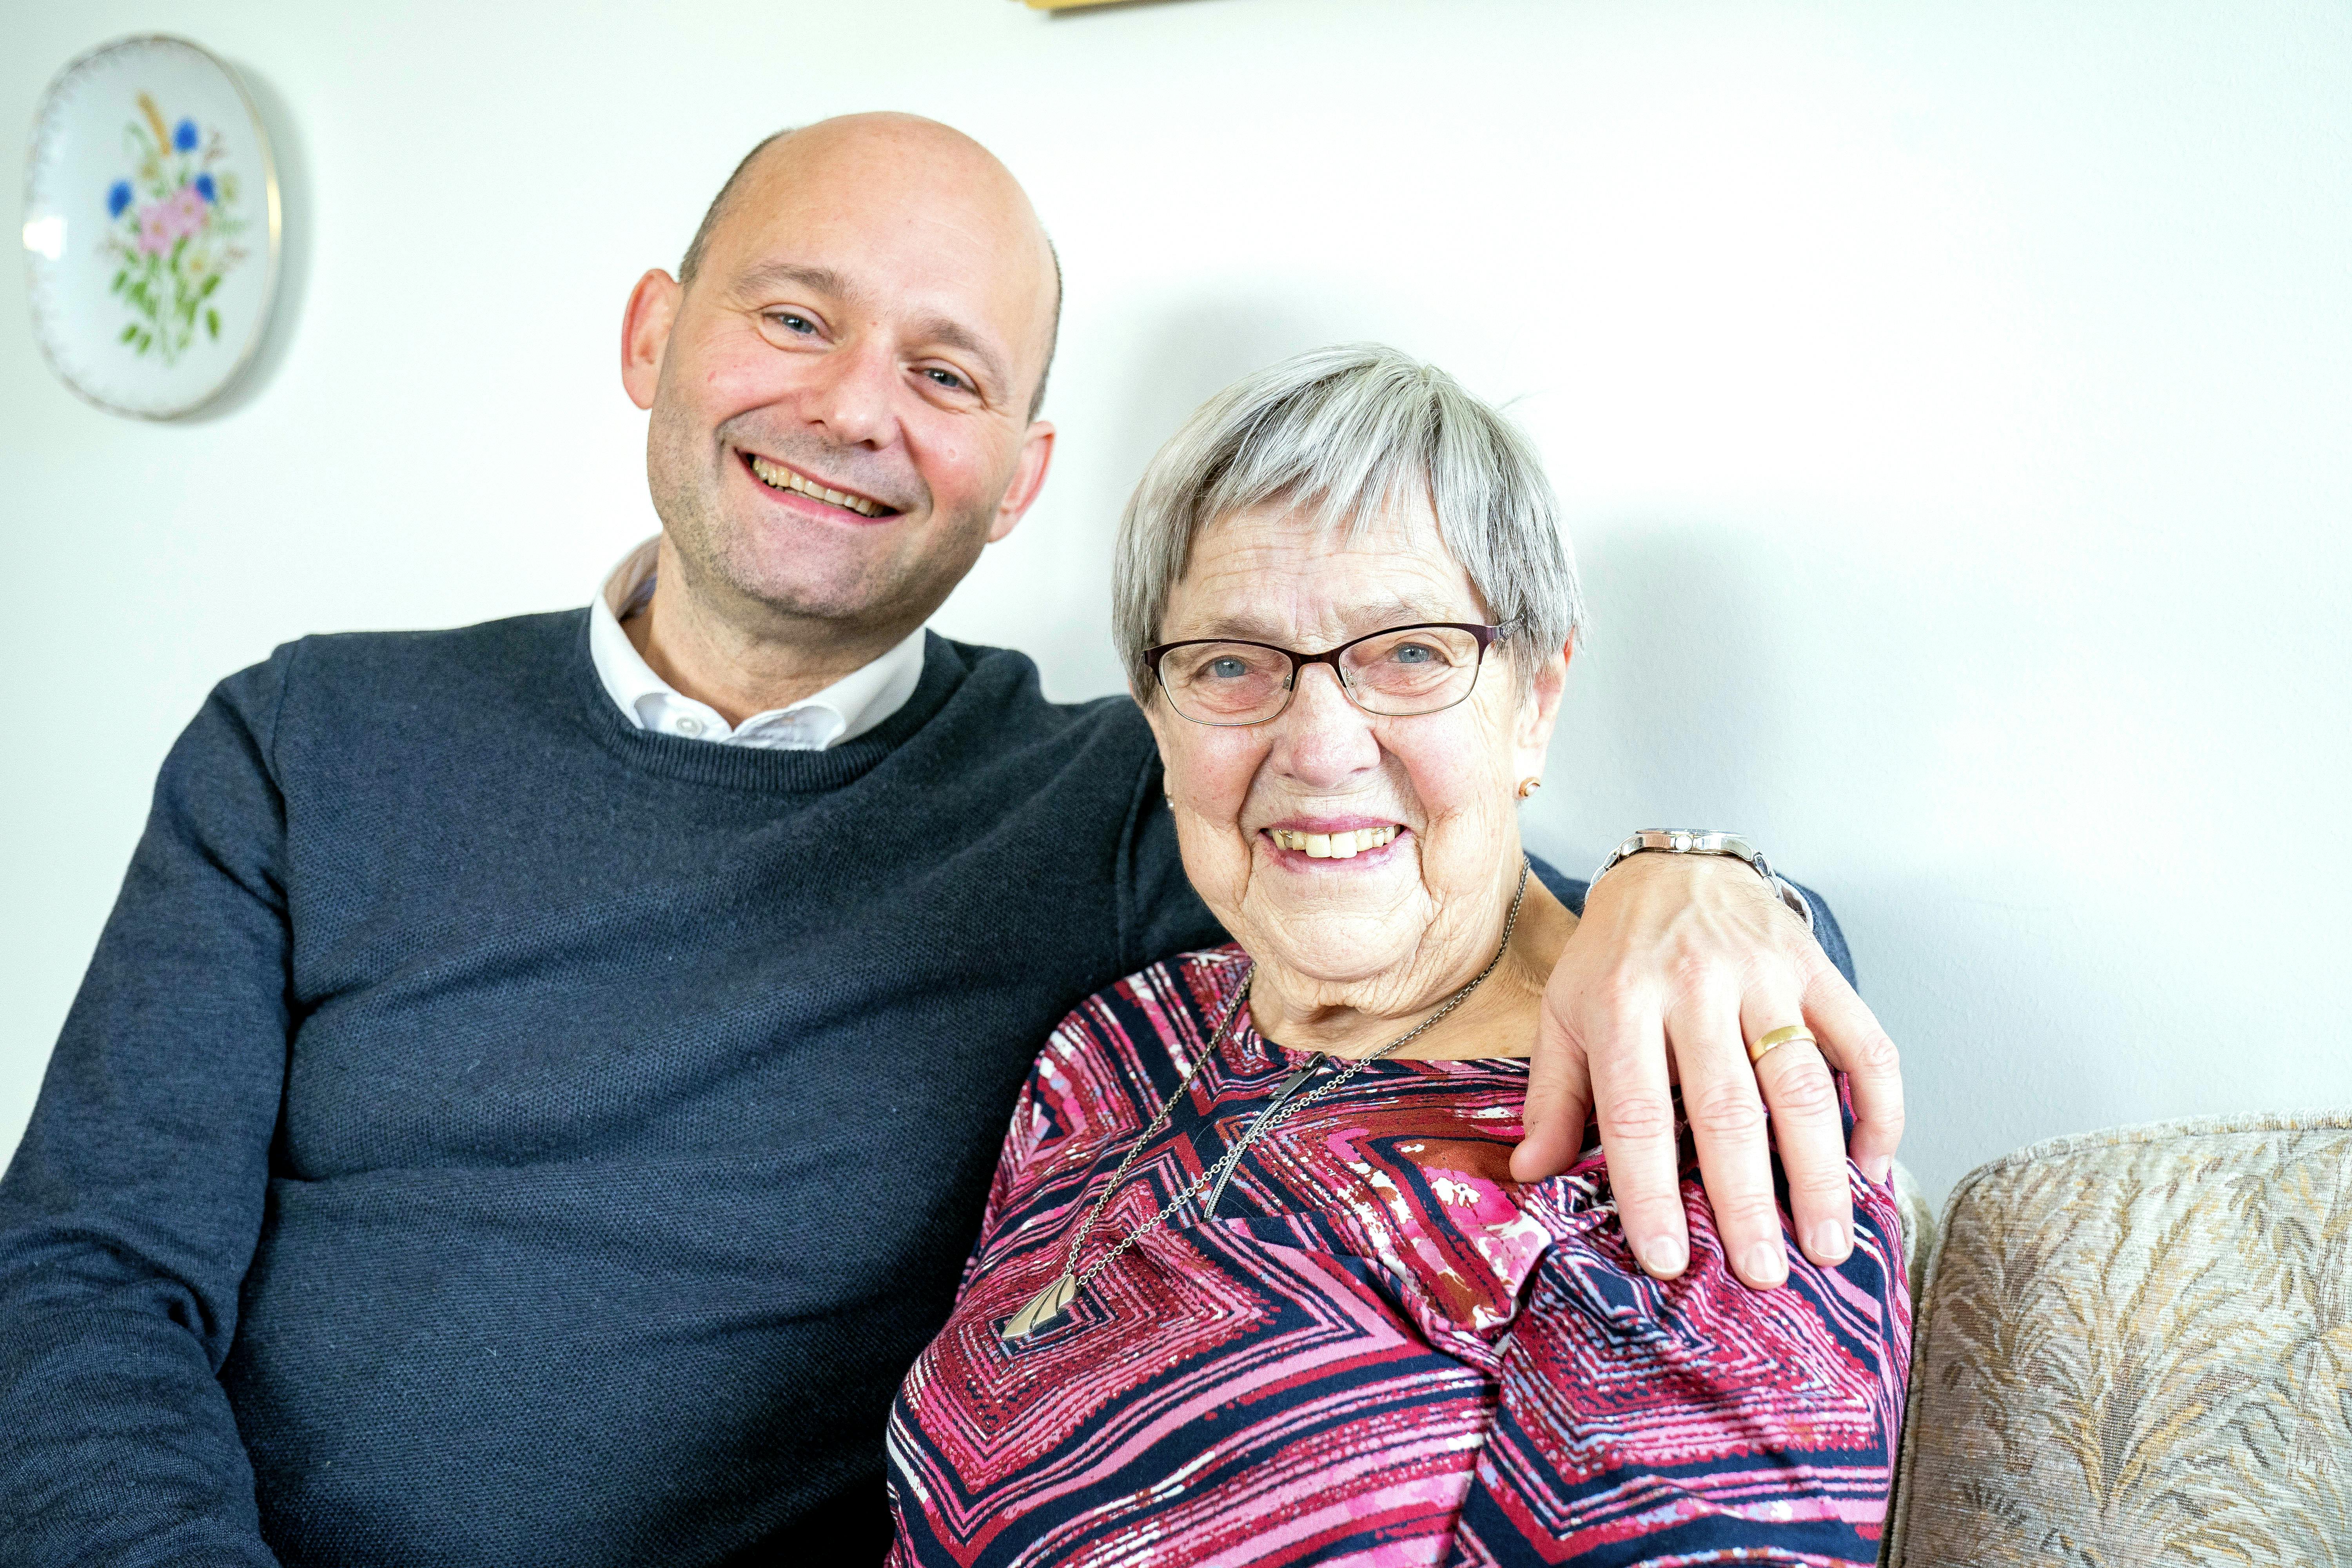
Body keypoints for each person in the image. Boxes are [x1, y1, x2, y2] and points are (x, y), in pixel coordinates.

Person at [0, 117, 1900, 1566]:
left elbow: (1424, 886)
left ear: (1018, 482)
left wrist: (1709, 880)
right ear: (658, 338)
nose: (851, 408)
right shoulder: (310, 738)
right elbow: (78, 1277)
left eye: (947, 372)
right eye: (796, 317)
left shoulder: (1105, 797)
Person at [887, 345, 1909, 1566]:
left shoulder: (1684, 1099)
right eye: (1230, 665)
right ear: (1155, 718)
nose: (1320, 746)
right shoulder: (1116, 1048)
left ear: (1535, 698)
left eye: (1412, 653)